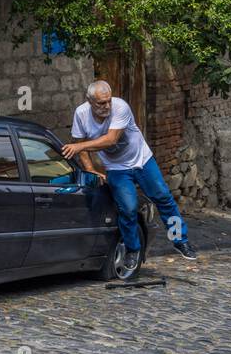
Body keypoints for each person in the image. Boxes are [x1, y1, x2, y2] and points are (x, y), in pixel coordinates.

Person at [62, 80, 196, 270]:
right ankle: (133, 250)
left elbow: (110, 140)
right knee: (128, 208)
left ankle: (179, 240)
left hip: (142, 161)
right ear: (90, 101)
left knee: (163, 198)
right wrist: (90, 168)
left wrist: (79, 146)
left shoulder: (120, 107)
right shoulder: (81, 114)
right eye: (101, 103)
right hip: (116, 168)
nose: (107, 106)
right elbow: (80, 140)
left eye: (108, 100)